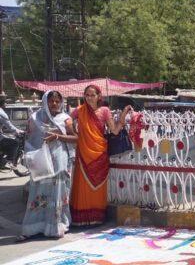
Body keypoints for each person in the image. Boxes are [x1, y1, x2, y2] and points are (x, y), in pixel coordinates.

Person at [17, 91, 76, 241]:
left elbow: (76, 138)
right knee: (37, 191)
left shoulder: (66, 119)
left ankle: (57, 226)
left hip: (59, 160)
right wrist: (29, 158)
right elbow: (28, 138)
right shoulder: (35, 118)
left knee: (58, 192)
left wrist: (58, 136)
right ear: (45, 102)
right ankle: (33, 227)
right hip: (41, 161)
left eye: (57, 101)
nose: (54, 104)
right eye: (51, 101)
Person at [69, 85, 131, 226]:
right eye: (87, 95)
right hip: (84, 152)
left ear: (99, 96)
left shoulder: (104, 111)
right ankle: (81, 218)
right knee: (83, 185)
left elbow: (114, 131)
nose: (90, 98)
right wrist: (73, 133)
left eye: (92, 95)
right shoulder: (79, 110)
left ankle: (96, 217)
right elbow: (66, 121)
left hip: (100, 153)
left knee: (98, 187)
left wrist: (123, 115)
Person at [0, 98, 24, 168]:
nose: (6, 104)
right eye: (5, 102)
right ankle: (9, 161)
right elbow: (10, 127)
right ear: (2, 103)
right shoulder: (2, 113)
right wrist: (19, 131)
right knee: (14, 143)